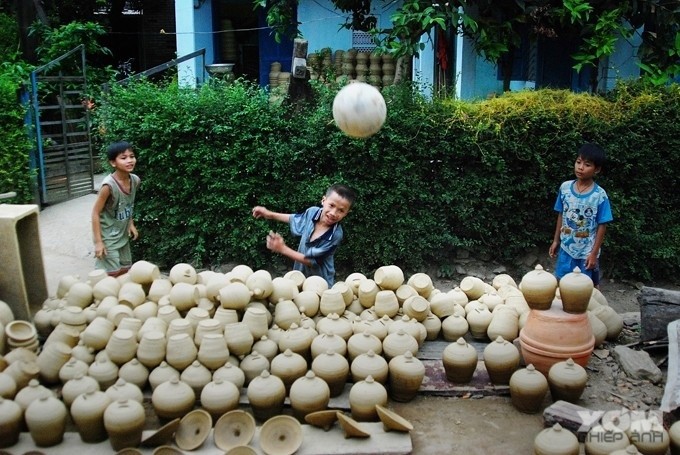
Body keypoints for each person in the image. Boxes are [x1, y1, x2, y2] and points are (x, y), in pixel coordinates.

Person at [252, 184, 356, 286]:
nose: (333, 213)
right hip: (299, 277)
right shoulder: (312, 212)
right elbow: (295, 218)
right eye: (332, 205)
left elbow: (312, 261)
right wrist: (269, 214)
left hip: (320, 284)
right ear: (324, 201)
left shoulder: (336, 234)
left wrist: (283, 249)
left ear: (346, 213)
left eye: (341, 210)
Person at [549, 143, 613, 287]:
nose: (580, 167)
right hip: (566, 248)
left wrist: (593, 254)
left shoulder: (599, 195)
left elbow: (602, 225)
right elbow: (561, 214)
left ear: (597, 169)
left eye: (587, 164)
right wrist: (555, 241)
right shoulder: (565, 188)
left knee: (585, 287)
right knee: (562, 284)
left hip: (586, 251)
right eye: (578, 162)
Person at [92, 140, 141, 277]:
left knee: (125, 271)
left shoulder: (135, 180)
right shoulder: (108, 187)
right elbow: (95, 213)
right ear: (113, 163)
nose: (129, 160)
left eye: (132, 156)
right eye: (123, 158)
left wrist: (130, 223)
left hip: (122, 234)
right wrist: (98, 242)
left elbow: (128, 204)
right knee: (110, 274)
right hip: (107, 237)